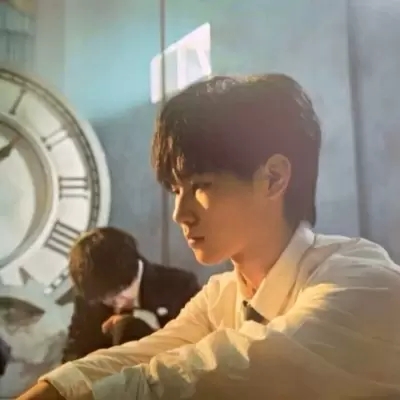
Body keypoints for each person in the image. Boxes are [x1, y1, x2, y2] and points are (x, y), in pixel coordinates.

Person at [18, 74, 400, 400]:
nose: (179, 213)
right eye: (176, 190)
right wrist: (55, 388)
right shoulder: (222, 297)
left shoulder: (363, 281)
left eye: (201, 185)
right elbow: (140, 356)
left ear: (273, 178)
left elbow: (232, 368)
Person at [61, 227, 200, 362]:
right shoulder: (89, 294)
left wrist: (142, 329)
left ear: (134, 268)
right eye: (106, 299)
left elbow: (199, 352)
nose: (118, 304)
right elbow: (74, 353)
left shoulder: (180, 286)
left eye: (120, 292)